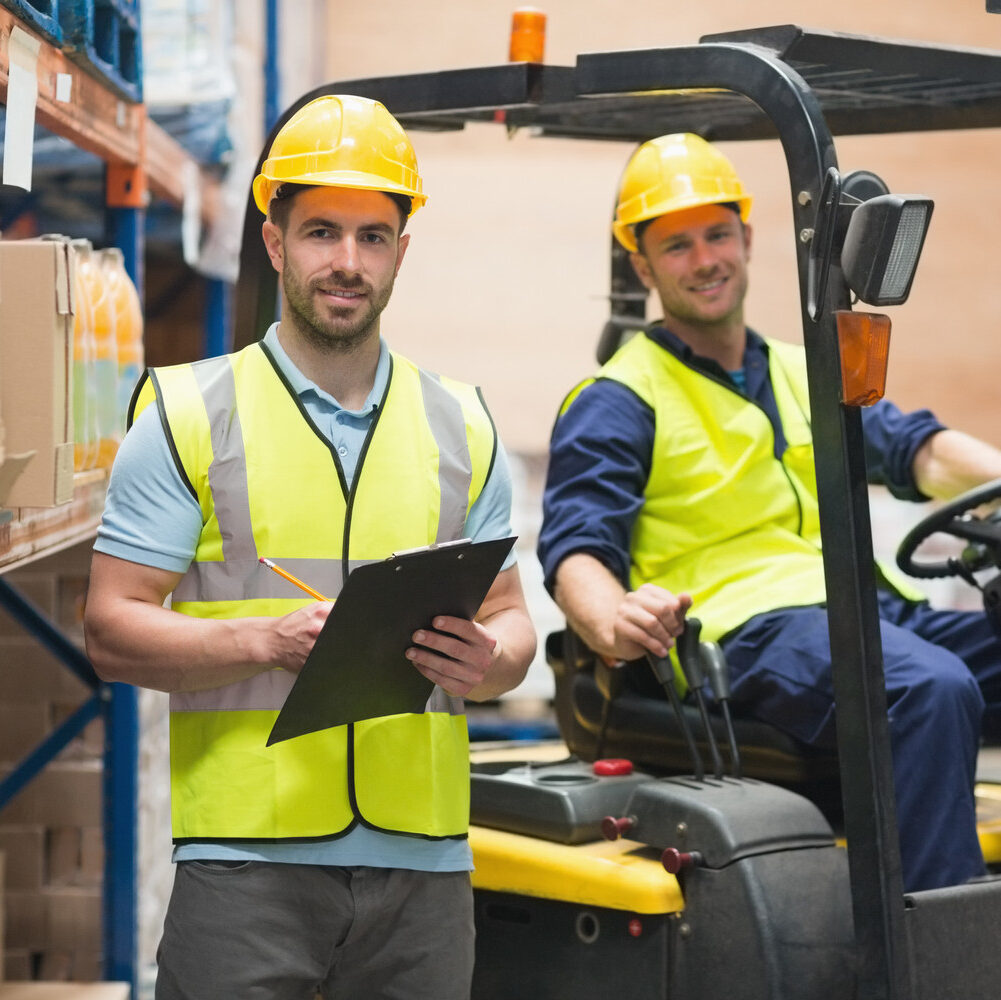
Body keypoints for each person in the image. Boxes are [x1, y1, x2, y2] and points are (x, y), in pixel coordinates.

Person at [84, 94, 536, 1000]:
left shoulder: (464, 424)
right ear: (274, 239)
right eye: (322, 230)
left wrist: (486, 664)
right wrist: (262, 640)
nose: (347, 262)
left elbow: (512, 626)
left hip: (425, 868)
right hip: (247, 865)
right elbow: (110, 628)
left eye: (373, 237)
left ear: (401, 252)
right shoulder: (186, 415)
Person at [537, 131, 1001, 894]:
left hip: (865, 612)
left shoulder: (802, 366)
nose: (705, 258)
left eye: (717, 234)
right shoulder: (621, 397)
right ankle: (935, 961)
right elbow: (577, 547)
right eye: (676, 245)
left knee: (934, 669)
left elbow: (916, 449)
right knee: (929, 688)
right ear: (643, 265)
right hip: (742, 636)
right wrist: (611, 620)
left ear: (747, 238)